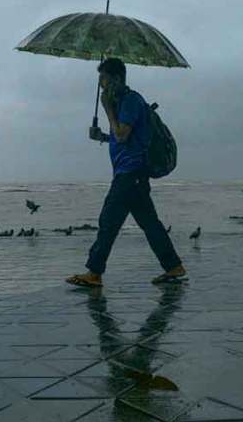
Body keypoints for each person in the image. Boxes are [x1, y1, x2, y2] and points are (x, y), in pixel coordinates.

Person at [66, 58, 186, 288]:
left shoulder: (131, 101)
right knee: (150, 223)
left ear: (118, 79)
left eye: (105, 80)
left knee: (108, 221)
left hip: (130, 174)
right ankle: (173, 266)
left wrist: (107, 108)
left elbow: (122, 135)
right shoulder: (123, 102)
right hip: (132, 174)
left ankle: (94, 273)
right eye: (100, 81)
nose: (102, 86)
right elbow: (122, 138)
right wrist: (101, 136)